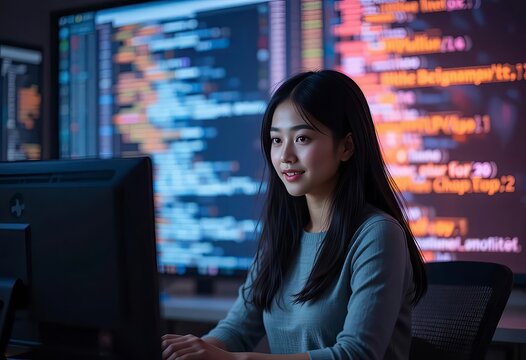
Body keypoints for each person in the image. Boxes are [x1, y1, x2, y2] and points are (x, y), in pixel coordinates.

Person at [161, 70, 427, 360]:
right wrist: (190, 352)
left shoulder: (377, 233)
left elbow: (356, 354)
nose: (285, 155)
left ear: (346, 146)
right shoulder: (284, 233)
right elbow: (237, 331)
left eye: (302, 138)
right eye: (276, 140)